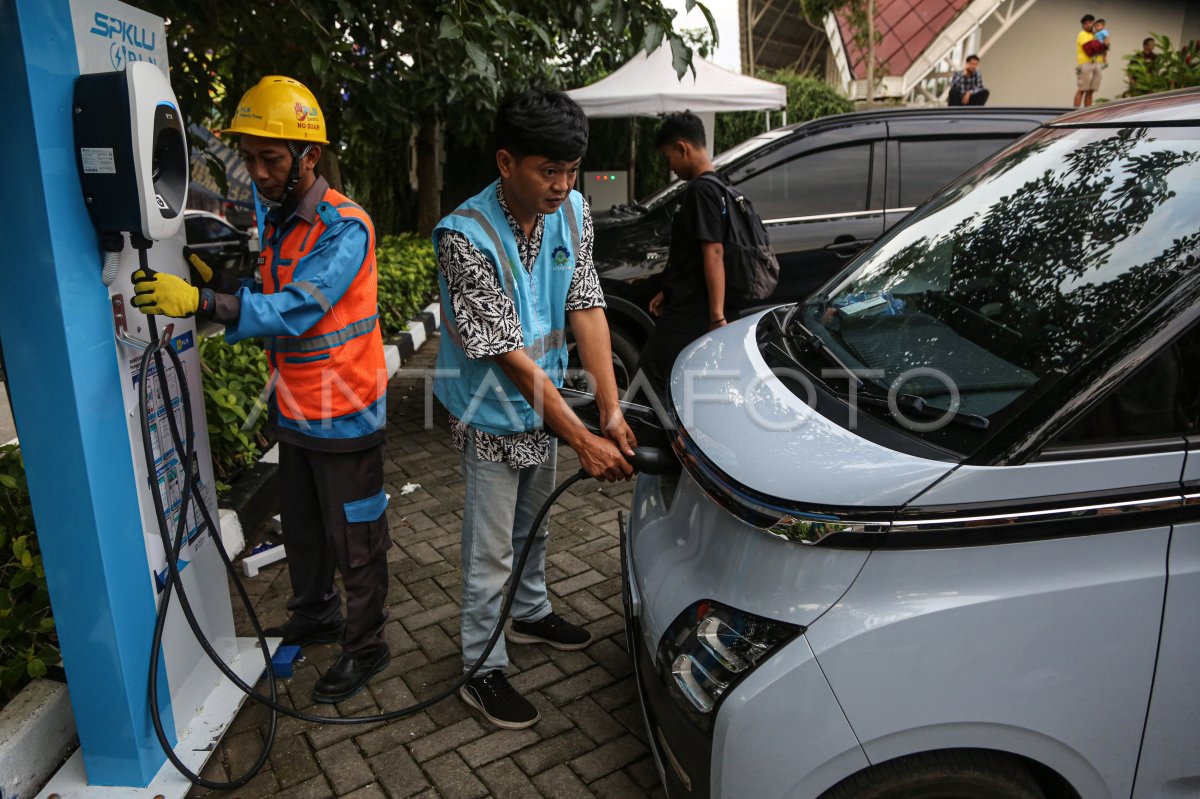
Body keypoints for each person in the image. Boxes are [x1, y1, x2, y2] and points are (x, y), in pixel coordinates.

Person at [130, 75, 392, 704]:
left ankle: (367, 645)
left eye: (269, 158)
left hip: (346, 413)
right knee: (302, 531)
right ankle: (316, 614)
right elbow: (269, 294)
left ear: (309, 156)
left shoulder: (344, 227)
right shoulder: (278, 222)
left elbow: (299, 308)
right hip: (296, 410)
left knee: (355, 539)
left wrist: (203, 300)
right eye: (249, 159)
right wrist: (219, 278)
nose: (258, 171)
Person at [433, 90, 637, 730]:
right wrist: (582, 437)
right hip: (493, 409)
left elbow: (587, 305)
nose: (563, 184)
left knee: (536, 522)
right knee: (490, 549)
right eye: (548, 170)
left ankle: (530, 611)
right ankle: (482, 665)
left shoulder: (573, 210)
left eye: (572, 170)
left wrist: (610, 410)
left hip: (544, 406)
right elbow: (504, 353)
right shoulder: (463, 237)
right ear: (505, 162)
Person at [635, 112, 732, 403]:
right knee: (679, 381)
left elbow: (713, 252)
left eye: (669, 158)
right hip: (688, 302)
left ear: (683, 148)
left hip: (689, 312)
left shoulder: (701, 191)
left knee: (649, 380)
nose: (672, 167)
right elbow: (693, 254)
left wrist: (717, 317)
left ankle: (638, 443)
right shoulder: (720, 187)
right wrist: (668, 288)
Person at [1075, 14, 1104, 107]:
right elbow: (1089, 50)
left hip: (1097, 63)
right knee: (1082, 89)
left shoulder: (1097, 35)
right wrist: (1098, 45)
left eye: (1090, 22)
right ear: (1083, 25)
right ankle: (1075, 112)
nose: (1088, 25)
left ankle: (1087, 112)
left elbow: (1105, 47)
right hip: (1085, 64)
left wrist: (1098, 45)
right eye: (1085, 23)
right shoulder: (1082, 34)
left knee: (1091, 90)